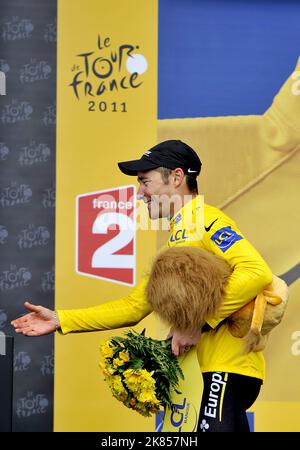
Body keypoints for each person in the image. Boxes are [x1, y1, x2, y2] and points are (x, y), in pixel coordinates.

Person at [11, 140, 273, 432]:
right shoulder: (179, 235)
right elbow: (135, 306)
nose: (140, 193)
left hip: (225, 368)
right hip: (203, 372)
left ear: (176, 177)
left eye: (145, 182)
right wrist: (62, 319)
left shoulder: (206, 219)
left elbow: (256, 272)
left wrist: (196, 323)